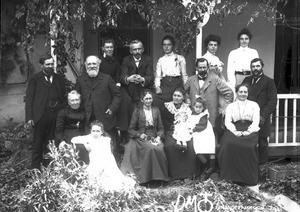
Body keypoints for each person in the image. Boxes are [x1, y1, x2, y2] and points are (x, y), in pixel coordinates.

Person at [25, 54, 66, 169]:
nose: (50, 66)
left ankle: (50, 168)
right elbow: (29, 98)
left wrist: (61, 111)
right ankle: (35, 169)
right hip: (40, 115)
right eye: (47, 64)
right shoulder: (35, 79)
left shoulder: (59, 78)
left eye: (52, 64)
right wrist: (29, 117)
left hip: (56, 115)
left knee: (52, 142)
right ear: (41, 65)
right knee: (38, 143)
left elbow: (63, 97)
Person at [120, 90, 169, 186]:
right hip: (142, 137)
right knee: (151, 149)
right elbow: (131, 130)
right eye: (146, 98)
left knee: (160, 149)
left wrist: (159, 137)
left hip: (154, 137)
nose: (148, 100)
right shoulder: (137, 112)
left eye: (150, 98)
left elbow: (161, 128)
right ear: (142, 100)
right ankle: (148, 179)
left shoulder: (156, 110)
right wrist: (139, 135)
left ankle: (160, 178)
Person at [75, 55, 122, 153]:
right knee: (89, 148)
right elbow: (76, 96)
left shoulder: (107, 78)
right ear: (86, 66)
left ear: (99, 65)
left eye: (94, 63)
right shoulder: (80, 80)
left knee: (108, 147)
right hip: (87, 119)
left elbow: (117, 95)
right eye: (89, 64)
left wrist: (112, 109)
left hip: (105, 118)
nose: (92, 66)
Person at [71, 121, 136, 192]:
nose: (95, 133)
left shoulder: (106, 140)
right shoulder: (88, 138)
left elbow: (107, 155)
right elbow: (73, 139)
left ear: (102, 132)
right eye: (93, 131)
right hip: (94, 162)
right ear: (91, 131)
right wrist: (85, 144)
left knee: (112, 181)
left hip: (106, 162)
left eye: (98, 131)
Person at [218, 84, 260, 186]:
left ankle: (248, 179)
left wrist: (248, 132)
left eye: (245, 92)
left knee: (249, 147)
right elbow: (228, 122)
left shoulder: (254, 105)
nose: (243, 94)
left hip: (250, 129)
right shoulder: (231, 106)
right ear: (236, 93)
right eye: (240, 92)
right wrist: (235, 131)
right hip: (234, 128)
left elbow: (256, 121)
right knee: (228, 144)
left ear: (248, 93)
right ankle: (229, 177)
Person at [184, 58, 234, 137]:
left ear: (208, 68)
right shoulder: (190, 79)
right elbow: (184, 92)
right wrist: (187, 99)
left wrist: (226, 107)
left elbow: (229, 92)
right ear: (196, 68)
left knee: (211, 138)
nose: (203, 69)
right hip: (194, 115)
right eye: (200, 68)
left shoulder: (215, 79)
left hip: (210, 114)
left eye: (204, 67)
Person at [242, 58, 277, 165]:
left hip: (262, 117)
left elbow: (272, 101)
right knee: (248, 142)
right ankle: (249, 166)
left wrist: (263, 116)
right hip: (248, 117)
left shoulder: (269, 81)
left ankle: (262, 168)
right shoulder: (247, 80)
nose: (255, 68)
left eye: (257, 66)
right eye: (253, 66)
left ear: (262, 66)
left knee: (262, 143)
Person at [99, 38, 133, 144]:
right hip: (103, 86)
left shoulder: (116, 60)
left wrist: (118, 83)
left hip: (114, 85)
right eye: (107, 47)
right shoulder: (99, 61)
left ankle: (124, 131)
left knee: (125, 99)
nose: (109, 49)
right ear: (103, 49)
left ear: (113, 48)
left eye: (111, 47)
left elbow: (118, 74)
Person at [163, 88, 201, 180]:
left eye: (179, 96)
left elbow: (190, 120)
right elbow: (164, 121)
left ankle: (189, 174)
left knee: (191, 145)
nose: (176, 98)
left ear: (183, 98)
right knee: (170, 146)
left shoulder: (187, 108)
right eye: (174, 95)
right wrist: (173, 126)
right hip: (171, 131)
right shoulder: (166, 106)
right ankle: (175, 175)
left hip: (185, 130)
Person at [153, 35, 188, 112]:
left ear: (173, 46)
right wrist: (157, 87)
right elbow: (158, 76)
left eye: (169, 45)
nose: (166, 47)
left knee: (175, 98)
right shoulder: (161, 60)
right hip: (165, 84)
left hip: (176, 83)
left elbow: (184, 74)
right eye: (164, 45)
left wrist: (186, 87)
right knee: (155, 98)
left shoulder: (180, 58)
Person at [55, 90, 88, 164]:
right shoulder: (63, 112)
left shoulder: (84, 111)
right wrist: (61, 141)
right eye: (72, 100)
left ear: (80, 100)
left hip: (81, 135)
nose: (75, 102)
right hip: (68, 135)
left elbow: (86, 127)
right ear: (69, 102)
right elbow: (58, 129)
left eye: (77, 100)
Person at [121, 39, 154, 108]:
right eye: (135, 49)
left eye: (139, 49)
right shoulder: (126, 60)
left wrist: (142, 79)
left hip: (144, 88)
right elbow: (122, 76)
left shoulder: (148, 59)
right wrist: (129, 78)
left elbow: (150, 77)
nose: (137, 51)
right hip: (130, 89)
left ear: (143, 49)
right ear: (130, 51)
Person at [189, 98, 216, 179]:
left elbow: (202, 125)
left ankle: (212, 166)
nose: (198, 109)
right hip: (197, 135)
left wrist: (192, 130)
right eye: (196, 107)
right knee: (198, 149)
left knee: (210, 149)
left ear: (203, 107)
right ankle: (206, 165)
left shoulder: (204, 115)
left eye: (200, 107)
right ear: (193, 107)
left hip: (206, 133)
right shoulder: (191, 114)